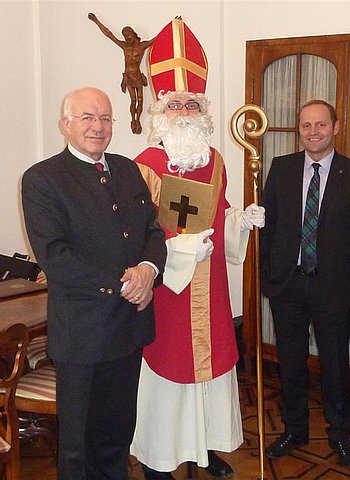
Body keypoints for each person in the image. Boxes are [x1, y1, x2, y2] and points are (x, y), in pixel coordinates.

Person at [129, 18, 264, 480]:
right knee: (169, 375)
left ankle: (206, 449)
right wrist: (183, 248)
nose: (185, 110)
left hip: (211, 289)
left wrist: (238, 222)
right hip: (169, 288)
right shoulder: (144, 166)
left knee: (213, 372)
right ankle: (159, 457)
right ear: (161, 109)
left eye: (192, 103)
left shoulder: (217, 160)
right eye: (177, 103)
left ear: (201, 109)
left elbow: (219, 213)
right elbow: (138, 232)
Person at [21, 87, 167, 480]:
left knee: (117, 432)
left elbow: (152, 230)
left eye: (105, 118)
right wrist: (123, 283)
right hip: (83, 333)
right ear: (66, 123)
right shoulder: (42, 179)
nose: (98, 127)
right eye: (87, 118)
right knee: (77, 444)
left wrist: (149, 270)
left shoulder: (127, 168)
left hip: (129, 326)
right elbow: (55, 255)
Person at [260, 100, 350, 468]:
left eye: (320, 125)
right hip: (288, 286)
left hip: (333, 288)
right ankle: (295, 429)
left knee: (335, 364)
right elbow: (269, 226)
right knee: (290, 362)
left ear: (336, 127)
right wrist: (268, 277)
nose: (313, 131)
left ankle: (340, 434)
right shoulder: (281, 169)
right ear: (299, 129)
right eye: (306, 125)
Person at [88, 13, 154, 134]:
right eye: (125, 37)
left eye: (129, 36)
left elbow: (157, 39)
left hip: (137, 75)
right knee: (133, 100)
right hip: (128, 76)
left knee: (140, 99)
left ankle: (138, 120)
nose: (127, 38)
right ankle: (133, 120)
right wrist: (96, 21)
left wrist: (173, 25)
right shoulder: (124, 46)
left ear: (133, 34)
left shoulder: (142, 46)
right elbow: (109, 34)